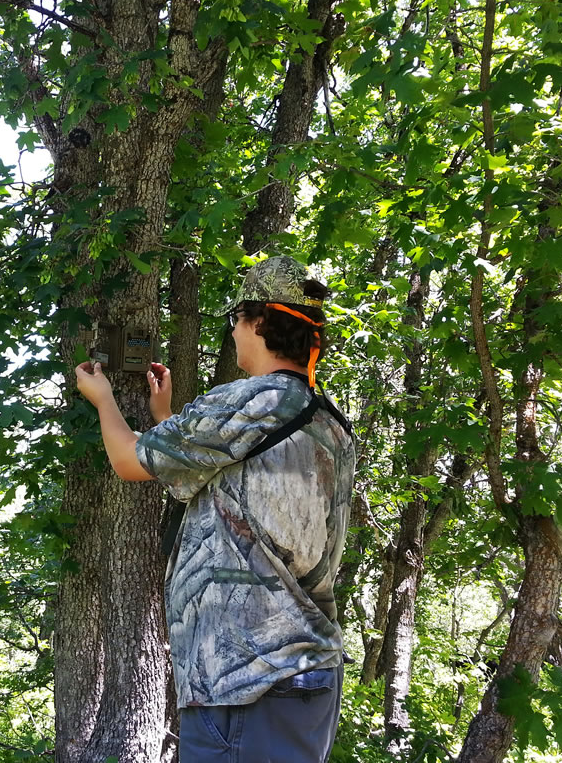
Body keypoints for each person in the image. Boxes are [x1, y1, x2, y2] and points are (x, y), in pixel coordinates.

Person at [74, 255, 355, 762]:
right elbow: (241, 485)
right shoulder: (326, 418)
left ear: (260, 322)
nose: (234, 334)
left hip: (247, 680)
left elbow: (127, 460)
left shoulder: (252, 400)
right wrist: (168, 418)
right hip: (306, 673)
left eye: (236, 322)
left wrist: (103, 399)